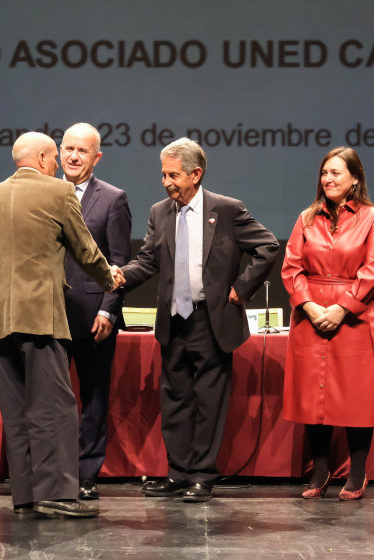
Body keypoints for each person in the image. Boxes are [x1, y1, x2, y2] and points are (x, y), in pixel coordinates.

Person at [0, 132, 122, 518]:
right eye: (55, 158)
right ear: (46, 157)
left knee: (16, 411)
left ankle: (26, 496)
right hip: (40, 318)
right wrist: (109, 279)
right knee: (55, 407)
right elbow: (85, 248)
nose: (58, 165)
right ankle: (60, 495)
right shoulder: (58, 194)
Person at [120, 138, 279, 502]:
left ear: (196, 173)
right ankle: (177, 473)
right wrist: (120, 276)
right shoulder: (160, 211)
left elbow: (267, 245)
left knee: (209, 401)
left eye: (173, 175)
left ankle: (202, 476)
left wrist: (242, 287)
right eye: (163, 174)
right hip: (174, 320)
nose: (166, 182)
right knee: (174, 399)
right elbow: (147, 261)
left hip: (211, 320)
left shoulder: (226, 210)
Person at [281, 146, 374, 501]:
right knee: (315, 396)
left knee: (356, 396)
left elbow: (373, 270)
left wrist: (341, 309)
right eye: (324, 173)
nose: (328, 179)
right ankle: (321, 469)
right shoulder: (306, 218)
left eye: (336, 173)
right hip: (310, 314)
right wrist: (310, 306)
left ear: (355, 178)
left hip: (355, 316)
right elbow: (292, 267)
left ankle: (357, 472)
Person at [59, 123, 132, 500]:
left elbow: (119, 261)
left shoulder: (113, 199)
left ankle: (87, 473)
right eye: (67, 148)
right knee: (51, 400)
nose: (72, 156)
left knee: (94, 396)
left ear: (96, 157)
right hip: (48, 314)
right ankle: (52, 472)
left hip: (93, 317)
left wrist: (109, 310)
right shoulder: (46, 192)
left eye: (81, 151)